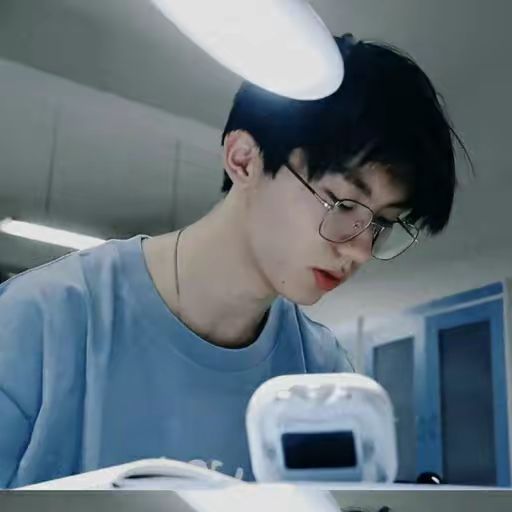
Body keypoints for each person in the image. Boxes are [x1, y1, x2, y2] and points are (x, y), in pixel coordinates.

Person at [0, 34, 463, 488]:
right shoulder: (40, 322)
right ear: (243, 160)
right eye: (343, 205)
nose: (360, 250)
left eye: (382, 223)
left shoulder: (320, 373)